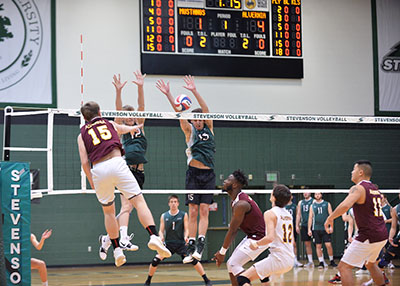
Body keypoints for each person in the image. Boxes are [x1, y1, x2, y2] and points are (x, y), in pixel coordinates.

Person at [77, 101, 171, 267]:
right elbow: (122, 129)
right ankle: (154, 236)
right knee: (139, 202)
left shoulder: (81, 134)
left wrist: (91, 181)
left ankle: (117, 250)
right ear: (100, 111)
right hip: (117, 163)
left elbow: (85, 162)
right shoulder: (110, 123)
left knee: (109, 213)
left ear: (84, 117)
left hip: (99, 169)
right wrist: (134, 129)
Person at [156, 75, 215, 263]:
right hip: (193, 175)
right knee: (194, 211)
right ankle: (190, 244)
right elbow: (179, 113)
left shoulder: (209, 129)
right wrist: (169, 95)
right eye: (195, 119)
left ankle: (201, 243)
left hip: (208, 174)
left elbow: (206, 110)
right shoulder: (189, 131)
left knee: (204, 211)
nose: (197, 122)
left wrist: (193, 91)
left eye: (200, 120)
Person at [99, 72, 148, 259]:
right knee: (127, 207)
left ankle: (106, 239)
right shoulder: (121, 130)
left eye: (132, 115)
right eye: (126, 115)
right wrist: (118, 91)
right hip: (125, 170)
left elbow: (142, 106)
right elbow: (118, 111)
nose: (130, 118)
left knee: (128, 209)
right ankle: (123, 238)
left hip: (140, 172)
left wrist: (140, 86)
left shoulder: (140, 126)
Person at [324, 160, 388, 286]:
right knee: (370, 264)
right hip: (382, 235)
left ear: (360, 172)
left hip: (369, 235)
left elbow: (345, 205)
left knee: (344, 267)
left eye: (353, 169)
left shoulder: (358, 188)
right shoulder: (375, 189)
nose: (351, 172)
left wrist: (330, 218)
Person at [212, 170, 269, 286]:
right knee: (231, 266)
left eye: (228, 179)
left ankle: (260, 274)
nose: (224, 181)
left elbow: (233, 230)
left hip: (258, 238)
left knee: (233, 264)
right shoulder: (236, 200)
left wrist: (222, 252)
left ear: (234, 185)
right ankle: (263, 275)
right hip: (253, 236)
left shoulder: (241, 204)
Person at [144, 195, 212, 286]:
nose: (173, 204)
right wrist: (161, 237)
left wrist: (186, 237)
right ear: (169, 204)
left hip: (181, 244)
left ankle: (207, 280)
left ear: (178, 203)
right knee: (155, 260)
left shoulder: (183, 214)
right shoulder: (164, 215)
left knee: (193, 260)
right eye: (171, 202)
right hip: (168, 245)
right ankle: (148, 281)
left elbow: (187, 229)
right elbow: (161, 230)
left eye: (175, 202)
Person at [236, 185, 295, 286]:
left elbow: (270, 238)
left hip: (279, 259)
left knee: (242, 279)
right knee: (264, 277)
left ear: (274, 197)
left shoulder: (270, 213)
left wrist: (256, 244)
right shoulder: (288, 214)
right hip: (290, 259)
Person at [307, 192, 337, 268]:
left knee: (328, 245)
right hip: (316, 228)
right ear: (314, 195)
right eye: (316, 194)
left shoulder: (327, 204)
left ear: (321, 195)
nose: (317, 195)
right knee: (318, 245)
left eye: (319, 194)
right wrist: (309, 229)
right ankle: (321, 262)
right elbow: (310, 218)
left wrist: (331, 226)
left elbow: (331, 216)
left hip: (325, 228)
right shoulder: (312, 206)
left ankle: (332, 260)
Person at [296, 192, 314, 267]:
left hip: (313, 225)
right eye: (304, 192)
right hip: (304, 225)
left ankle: (321, 261)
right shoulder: (301, 202)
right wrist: (297, 225)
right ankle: (310, 261)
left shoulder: (313, 201)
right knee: (307, 243)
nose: (305, 194)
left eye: (307, 192)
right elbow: (298, 214)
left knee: (317, 244)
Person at [285, 194, 302, 267]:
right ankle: (285, 261)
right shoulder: (282, 206)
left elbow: (298, 216)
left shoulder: (295, 206)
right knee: (284, 244)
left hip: (292, 226)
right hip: (284, 227)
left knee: (294, 243)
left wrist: (297, 225)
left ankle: (295, 260)